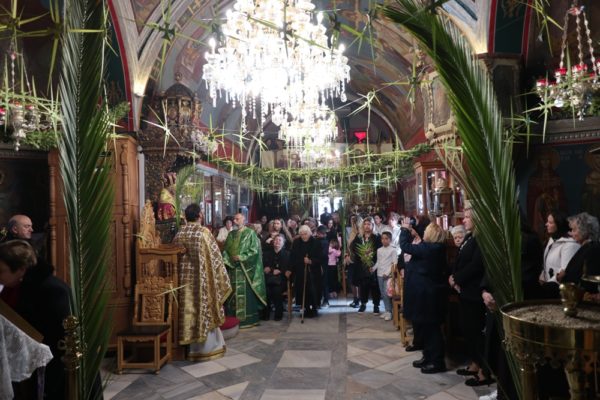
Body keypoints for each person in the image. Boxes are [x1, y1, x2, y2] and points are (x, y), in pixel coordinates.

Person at [0, 240, 70, 399]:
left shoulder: (52, 290)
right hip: (25, 367)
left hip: (51, 371)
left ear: (21, 269)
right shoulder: (13, 289)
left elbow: (57, 340)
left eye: (1, 271)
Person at [173, 204, 232, 360]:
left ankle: (187, 349)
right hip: (202, 281)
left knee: (187, 311)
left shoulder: (180, 233)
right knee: (203, 308)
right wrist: (219, 279)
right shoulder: (203, 233)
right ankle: (206, 348)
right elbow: (215, 259)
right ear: (199, 215)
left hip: (183, 282)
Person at [448, 207, 491, 386]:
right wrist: (453, 276)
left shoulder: (481, 239)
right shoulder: (468, 237)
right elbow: (459, 259)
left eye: (467, 217)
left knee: (475, 330)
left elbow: (476, 266)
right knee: (467, 328)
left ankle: (483, 370)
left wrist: (457, 278)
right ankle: (474, 363)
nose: (464, 220)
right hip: (464, 290)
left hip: (474, 291)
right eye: (464, 217)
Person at [400, 222, 448, 374]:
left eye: (427, 231)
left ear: (431, 234)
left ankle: (437, 361)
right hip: (424, 294)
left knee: (432, 330)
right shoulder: (430, 248)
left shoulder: (432, 248)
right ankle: (428, 357)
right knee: (425, 328)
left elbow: (405, 246)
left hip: (428, 296)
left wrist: (404, 230)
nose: (425, 233)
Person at [223, 213, 267, 328]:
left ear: (244, 220)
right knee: (233, 295)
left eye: (237, 219)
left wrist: (241, 257)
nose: (235, 220)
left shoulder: (250, 233)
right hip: (233, 269)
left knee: (246, 295)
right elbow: (225, 250)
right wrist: (229, 260)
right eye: (234, 219)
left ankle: (247, 320)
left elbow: (254, 251)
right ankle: (233, 320)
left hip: (245, 270)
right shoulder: (231, 234)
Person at [538, 211, 580, 298]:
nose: (546, 224)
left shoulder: (570, 244)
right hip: (549, 288)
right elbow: (546, 264)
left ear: (559, 224)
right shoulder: (552, 240)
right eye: (547, 222)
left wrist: (551, 282)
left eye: (550, 222)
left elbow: (565, 272)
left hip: (560, 291)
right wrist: (542, 278)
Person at [559, 212, 600, 292]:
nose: (571, 233)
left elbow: (588, 279)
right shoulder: (587, 247)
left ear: (585, 230)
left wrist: (564, 275)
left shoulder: (592, 249)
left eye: (574, 230)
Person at [290, 225, 321, 318]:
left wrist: (311, 261)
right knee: (303, 289)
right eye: (301, 234)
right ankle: (306, 308)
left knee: (313, 290)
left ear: (310, 233)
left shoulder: (316, 242)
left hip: (313, 271)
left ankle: (314, 308)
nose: (303, 236)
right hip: (300, 270)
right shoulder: (296, 242)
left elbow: (321, 257)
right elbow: (293, 256)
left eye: (305, 234)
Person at [351, 218, 382, 314]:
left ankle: (376, 305)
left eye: (369, 224)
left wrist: (371, 254)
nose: (367, 226)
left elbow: (380, 249)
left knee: (375, 286)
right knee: (363, 285)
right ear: (362, 226)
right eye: (365, 224)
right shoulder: (359, 236)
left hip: (374, 264)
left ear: (372, 225)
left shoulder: (377, 236)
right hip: (362, 265)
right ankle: (363, 304)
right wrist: (362, 253)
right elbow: (353, 247)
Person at [262, 235, 290, 321]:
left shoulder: (287, 254)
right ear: (273, 242)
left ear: (283, 243)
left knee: (276, 290)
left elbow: (288, 267)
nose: (277, 241)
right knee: (266, 291)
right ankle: (266, 314)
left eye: (279, 240)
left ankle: (278, 314)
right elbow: (264, 266)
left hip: (281, 279)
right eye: (276, 240)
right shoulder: (267, 253)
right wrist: (270, 269)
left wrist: (280, 271)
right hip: (269, 279)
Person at [371, 231, 396, 321]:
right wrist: (373, 268)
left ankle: (390, 311)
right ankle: (386, 310)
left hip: (387, 275)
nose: (384, 240)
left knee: (387, 293)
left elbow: (394, 263)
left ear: (390, 240)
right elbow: (378, 262)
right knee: (382, 293)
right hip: (379, 274)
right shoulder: (379, 250)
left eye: (386, 239)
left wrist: (388, 273)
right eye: (382, 238)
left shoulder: (393, 250)